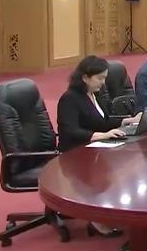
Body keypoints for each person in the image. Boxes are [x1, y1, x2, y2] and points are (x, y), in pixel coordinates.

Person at [56, 57, 139, 238]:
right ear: (85, 78)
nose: (103, 82)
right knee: (107, 170)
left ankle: (109, 210)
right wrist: (99, 135)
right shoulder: (69, 99)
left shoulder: (96, 95)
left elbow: (103, 122)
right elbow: (70, 130)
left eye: (104, 78)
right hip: (74, 151)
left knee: (125, 165)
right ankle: (96, 219)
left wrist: (126, 121)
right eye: (100, 78)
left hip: (94, 147)